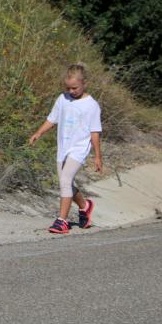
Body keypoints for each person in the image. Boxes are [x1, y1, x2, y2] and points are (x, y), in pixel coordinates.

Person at [29, 63, 103, 234]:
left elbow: (95, 133)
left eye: (75, 88)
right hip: (63, 148)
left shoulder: (91, 105)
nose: (71, 91)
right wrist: (38, 133)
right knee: (66, 183)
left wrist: (97, 156)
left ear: (85, 83)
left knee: (65, 181)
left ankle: (61, 221)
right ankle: (85, 206)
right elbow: (52, 119)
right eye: (68, 88)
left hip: (79, 149)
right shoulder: (62, 99)